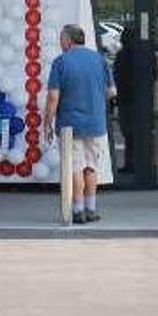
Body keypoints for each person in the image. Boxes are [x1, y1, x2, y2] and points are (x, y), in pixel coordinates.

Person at [44, 24, 117, 224]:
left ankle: (77, 210)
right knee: (91, 165)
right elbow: (111, 92)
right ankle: (91, 208)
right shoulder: (99, 59)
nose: (60, 42)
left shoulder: (61, 62)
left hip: (70, 124)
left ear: (68, 40)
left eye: (61, 38)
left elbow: (53, 96)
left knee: (74, 166)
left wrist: (47, 122)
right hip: (95, 122)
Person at [111, 26, 157, 174]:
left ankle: (130, 164)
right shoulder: (148, 54)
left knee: (129, 135)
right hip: (144, 101)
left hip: (126, 100)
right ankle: (145, 164)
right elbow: (155, 75)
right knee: (143, 134)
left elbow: (118, 78)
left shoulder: (122, 55)